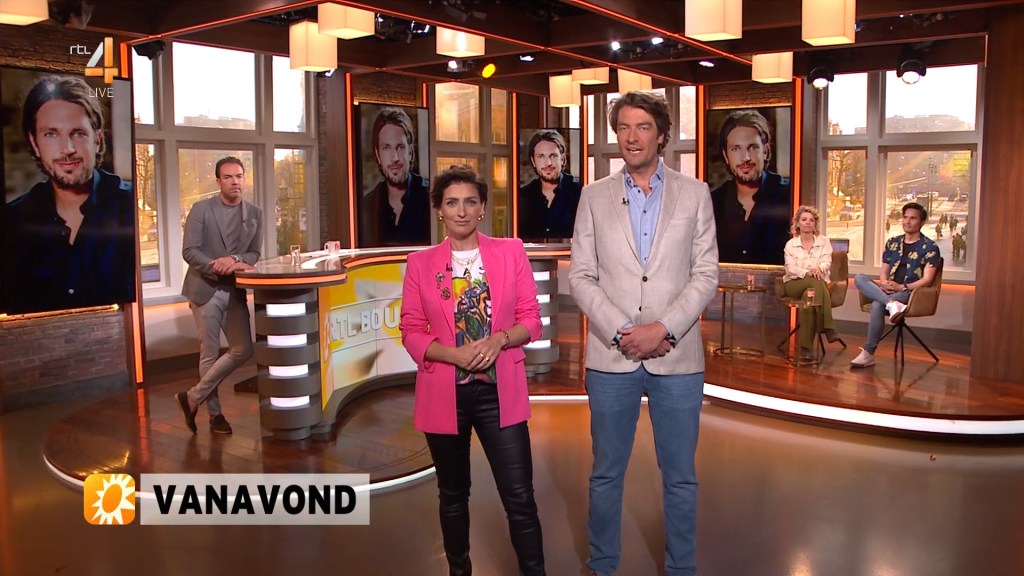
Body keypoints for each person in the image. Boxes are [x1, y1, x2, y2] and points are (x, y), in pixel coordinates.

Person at [569, 91, 718, 576]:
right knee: (605, 474)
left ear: (662, 135)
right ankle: (602, 566)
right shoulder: (593, 196)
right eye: (623, 128)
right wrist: (624, 331)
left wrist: (663, 328)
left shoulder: (695, 193)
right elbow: (581, 277)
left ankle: (681, 569)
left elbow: (705, 275)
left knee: (680, 478)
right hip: (611, 359)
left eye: (643, 127)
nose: (632, 137)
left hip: (678, 358)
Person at [400, 165, 546, 576]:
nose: (461, 211)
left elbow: (531, 320)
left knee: (520, 498)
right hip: (445, 394)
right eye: (452, 203)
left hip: (500, 393)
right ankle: (459, 571)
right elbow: (410, 330)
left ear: (482, 208)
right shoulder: (420, 263)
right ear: (440, 211)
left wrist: (500, 339)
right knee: (452, 496)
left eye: (469, 202)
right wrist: (453, 355)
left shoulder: (510, 252)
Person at [2, 75, 134, 315]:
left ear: (97, 140)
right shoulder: (11, 221)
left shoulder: (129, 206)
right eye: (51, 134)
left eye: (78, 133)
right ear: (34, 143)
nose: (68, 149)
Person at [176, 156, 263, 435]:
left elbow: (254, 253)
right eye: (228, 177)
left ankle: (192, 397)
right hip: (205, 288)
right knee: (210, 354)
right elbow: (190, 250)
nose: (234, 181)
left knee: (243, 349)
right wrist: (217, 266)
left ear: (244, 179)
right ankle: (215, 416)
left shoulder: (255, 213)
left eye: (239, 176)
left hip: (234, 291)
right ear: (218, 181)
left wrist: (234, 259)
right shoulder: (202, 209)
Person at [850, 202, 940, 368]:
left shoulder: (929, 247)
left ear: (921, 222)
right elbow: (884, 270)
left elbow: (927, 280)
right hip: (888, 290)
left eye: (913, 218)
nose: (907, 221)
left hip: (909, 292)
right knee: (859, 278)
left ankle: (868, 353)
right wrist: (884, 283)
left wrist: (902, 287)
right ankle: (891, 303)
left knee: (877, 304)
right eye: (905, 217)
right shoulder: (892, 242)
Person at [710, 109, 790, 265]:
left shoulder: (789, 194)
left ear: (766, 151)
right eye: (736, 149)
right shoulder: (713, 202)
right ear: (726, 156)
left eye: (752, 147)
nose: (745, 158)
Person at [360, 107, 430, 247]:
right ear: (378, 155)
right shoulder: (367, 206)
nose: (395, 158)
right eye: (386, 148)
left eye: (400, 147)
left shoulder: (430, 198)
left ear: (411, 152)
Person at [782, 206, 840, 358]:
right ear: (797, 223)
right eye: (804, 220)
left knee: (810, 295)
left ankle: (806, 348)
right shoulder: (790, 244)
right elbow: (790, 268)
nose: (808, 222)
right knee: (816, 282)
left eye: (811, 220)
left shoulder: (824, 241)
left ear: (815, 224)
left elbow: (827, 262)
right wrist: (808, 272)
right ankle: (828, 327)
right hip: (794, 283)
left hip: (816, 283)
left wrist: (819, 268)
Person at [517, 129, 582, 241]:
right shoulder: (523, 196)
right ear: (533, 161)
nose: (548, 163)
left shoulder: (580, 192)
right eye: (541, 156)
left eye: (553, 156)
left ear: (562, 159)